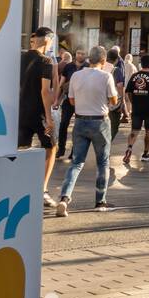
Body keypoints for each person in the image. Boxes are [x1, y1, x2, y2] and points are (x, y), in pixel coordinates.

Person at [55, 46, 119, 214]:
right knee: (103, 163)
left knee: (76, 163)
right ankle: (100, 201)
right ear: (104, 61)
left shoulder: (76, 76)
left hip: (80, 121)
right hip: (100, 122)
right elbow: (113, 101)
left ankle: (64, 198)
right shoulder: (106, 76)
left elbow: (72, 101)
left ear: (89, 59)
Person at [18, 27, 57, 207]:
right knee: (51, 147)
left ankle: (20, 187)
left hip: (20, 111)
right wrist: (49, 117)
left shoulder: (20, 57)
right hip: (38, 113)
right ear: (48, 40)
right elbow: (45, 90)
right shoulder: (46, 61)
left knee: (21, 149)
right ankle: (42, 189)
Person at [122, 55, 149, 168]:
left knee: (134, 130)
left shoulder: (134, 76)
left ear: (141, 64)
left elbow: (128, 92)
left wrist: (133, 102)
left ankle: (129, 147)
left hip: (137, 108)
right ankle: (145, 153)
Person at [54, 49, 86, 159]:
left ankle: (74, 152)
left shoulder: (88, 66)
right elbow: (61, 84)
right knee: (63, 125)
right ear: (75, 54)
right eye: (78, 53)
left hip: (82, 101)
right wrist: (56, 100)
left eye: (82, 53)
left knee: (78, 128)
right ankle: (61, 149)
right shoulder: (68, 67)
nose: (80, 55)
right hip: (68, 100)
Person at [106, 48, 129, 149]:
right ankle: (105, 147)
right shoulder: (116, 70)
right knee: (113, 127)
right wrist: (122, 101)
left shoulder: (102, 67)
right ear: (116, 59)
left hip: (101, 102)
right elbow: (120, 86)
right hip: (113, 102)